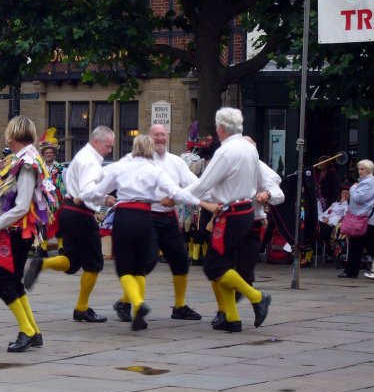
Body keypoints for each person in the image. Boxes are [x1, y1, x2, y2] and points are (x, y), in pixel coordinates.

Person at [80, 134, 219, 330]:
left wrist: (93, 197)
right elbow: (178, 193)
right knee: (139, 266)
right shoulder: (155, 171)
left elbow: (95, 191)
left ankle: (136, 303)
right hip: (145, 218)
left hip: (124, 217)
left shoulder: (120, 167)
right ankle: (138, 311)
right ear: (150, 150)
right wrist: (204, 204)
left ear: (134, 148)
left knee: (125, 268)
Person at [184, 107, 272, 333]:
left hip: (230, 213)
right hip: (244, 210)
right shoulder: (249, 149)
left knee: (214, 266)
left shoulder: (226, 151)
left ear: (221, 128)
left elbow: (204, 184)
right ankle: (232, 319)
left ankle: (257, 297)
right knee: (224, 265)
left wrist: (177, 194)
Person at [24, 126, 116, 324]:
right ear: (97, 141)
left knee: (72, 260)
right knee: (94, 264)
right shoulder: (90, 162)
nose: (109, 150)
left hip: (68, 212)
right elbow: (87, 191)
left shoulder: (81, 157)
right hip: (81, 213)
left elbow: (69, 182)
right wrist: (105, 198)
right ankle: (82, 308)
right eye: (108, 146)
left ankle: (42, 263)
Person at [112, 124, 203, 323]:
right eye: (156, 135)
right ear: (148, 138)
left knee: (180, 260)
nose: (161, 138)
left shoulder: (176, 162)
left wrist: (207, 198)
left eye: (163, 135)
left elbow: (194, 184)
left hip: (168, 218)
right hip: (145, 217)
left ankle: (179, 306)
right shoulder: (134, 160)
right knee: (147, 261)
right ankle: (129, 302)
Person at [0, 116, 54, 352]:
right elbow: (8, 190)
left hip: (16, 232)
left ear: (11, 135)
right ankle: (33, 330)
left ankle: (28, 331)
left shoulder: (28, 163)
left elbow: (21, 205)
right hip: (14, 231)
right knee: (12, 281)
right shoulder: (21, 159)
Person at [211, 136, 285, 326]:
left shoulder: (259, 168)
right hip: (226, 222)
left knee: (241, 273)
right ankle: (228, 314)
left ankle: (248, 305)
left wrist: (266, 194)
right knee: (222, 269)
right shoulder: (228, 165)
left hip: (251, 223)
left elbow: (278, 193)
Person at [338, 160, 374, 279]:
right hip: (364, 219)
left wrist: (353, 188)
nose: (359, 171)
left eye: (362, 169)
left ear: (368, 170)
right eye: (359, 169)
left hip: (365, 219)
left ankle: (351, 271)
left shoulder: (369, 182)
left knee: (364, 244)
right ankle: (351, 271)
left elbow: (357, 198)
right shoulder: (368, 182)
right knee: (363, 244)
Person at [35, 127, 66, 257]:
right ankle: (43, 248)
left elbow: (66, 183)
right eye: (46, 152)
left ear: (54, 154)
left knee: (59, 222)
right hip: (42, 199)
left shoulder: (61, 168)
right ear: (43, 154)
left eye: (50, 152)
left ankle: (61, 247)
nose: (48, 154)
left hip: (57, 199)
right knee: (42, 222)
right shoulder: (39, 168)